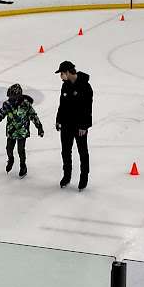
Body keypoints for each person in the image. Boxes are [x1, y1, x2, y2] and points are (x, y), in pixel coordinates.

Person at [0, 84, 45, 178]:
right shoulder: (7, 104)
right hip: (11, 131)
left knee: (21, 150)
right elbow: (1, 114)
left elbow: (33, 115)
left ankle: (23, 166)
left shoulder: (25, 104)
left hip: (22, 131)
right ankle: (10, 159)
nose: (10, 99)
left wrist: (39, 127)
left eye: (12, 97)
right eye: (9, 97)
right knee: (9, 149)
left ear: (18, 96)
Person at [55, 61, 93, 191]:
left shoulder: (85, 87)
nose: (61, 76)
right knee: (65, 151)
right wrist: (58, 120)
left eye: (62, 73)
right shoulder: (65, 86)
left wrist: (84, 126)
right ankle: (67, 176)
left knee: (83, 152)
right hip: (66, 125)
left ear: (68, 72)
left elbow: (87, 109)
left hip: (80, 127)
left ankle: (84, 178)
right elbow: (62, 105)